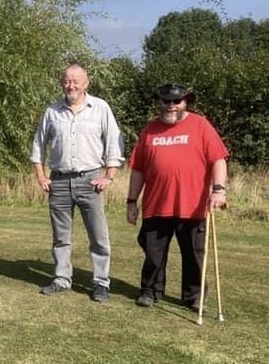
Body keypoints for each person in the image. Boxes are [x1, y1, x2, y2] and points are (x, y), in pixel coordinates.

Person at [127, 83, 228, 310]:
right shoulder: (150, 130)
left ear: (185, 102)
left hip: (192, 205)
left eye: (176, 101)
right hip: (156, 204)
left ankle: (194, 296)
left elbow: (218, 159)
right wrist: (131, 201)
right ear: (160, 102)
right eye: (166, 101)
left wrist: (219, 190)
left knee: (194, 254)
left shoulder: (200, 125)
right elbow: (138, 170)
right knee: (153, 254)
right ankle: (150, 291)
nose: (171, 106)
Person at [30, 63, 124, 302]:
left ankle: (101, 283)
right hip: (59, 182)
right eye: (66, 80)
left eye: (75, 81)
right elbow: (38, 146)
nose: (70, 85)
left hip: (90, 180)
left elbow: (114, 143)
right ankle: (62, 279)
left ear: (86, 82)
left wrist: (109, 176)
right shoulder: (53, 111)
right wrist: (41, 176)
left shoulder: (100, 108)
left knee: (98, 236)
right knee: (61, 237)